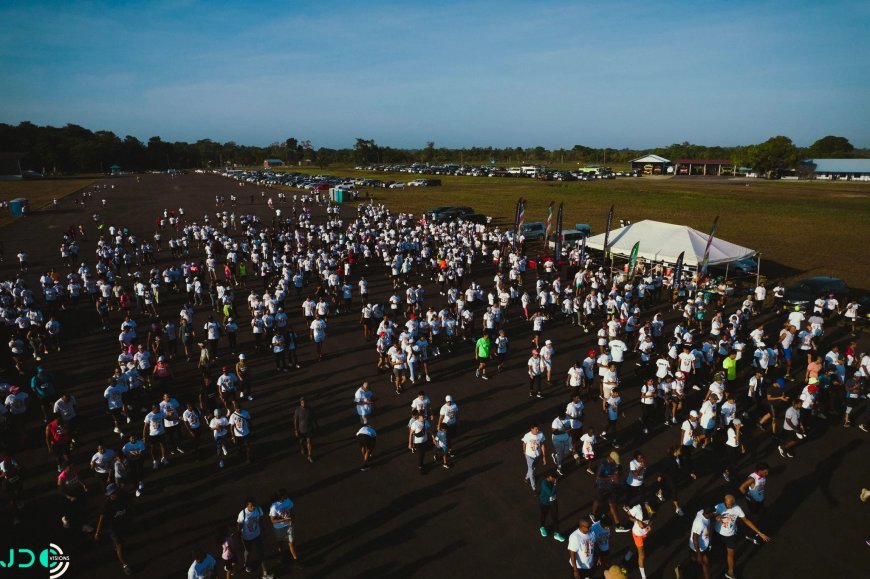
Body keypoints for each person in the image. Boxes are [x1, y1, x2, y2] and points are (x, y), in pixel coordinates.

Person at [714, 494, 771, 579]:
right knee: (719, 551)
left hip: (730, 535)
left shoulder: (737, 508)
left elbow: (746, 521)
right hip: (718, 533)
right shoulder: (719, 506)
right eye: (728, 504)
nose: (729, 506)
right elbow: (711, 516)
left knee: (730, 554)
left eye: (731, 504)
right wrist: (716, 517)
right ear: (724, 501)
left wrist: (760, 533)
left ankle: (730, 572)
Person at [95, 484, 132, 575]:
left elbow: (129, 507)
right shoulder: (106, 505)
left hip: (123, 524)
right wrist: (97, 532)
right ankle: (125, 566)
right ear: (110, 494)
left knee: (122, 542)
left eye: (117, 491)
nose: (117, 494)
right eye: (115, 492)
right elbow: (101, 518)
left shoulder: (122, 497)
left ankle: (118, 548)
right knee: (120, 546)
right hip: (113, 528)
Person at [237, 498, 274, 579]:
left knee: (261, 553)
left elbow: (261, 519)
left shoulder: (258, 509)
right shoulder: (242, 514)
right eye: (251, 505)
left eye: (254, 504)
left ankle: (265, 574)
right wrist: (239, 539)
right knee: (248, 552)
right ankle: (246, 564)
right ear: (247, 505)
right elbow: (239, 527)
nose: (253, 506)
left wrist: (264, 530)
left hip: (257, 535)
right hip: (247, 538)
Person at [269, 488, 299, 563]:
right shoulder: (274, 507)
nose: (287, 495)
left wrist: (292, 520)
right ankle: (281, 555)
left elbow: (292, 511)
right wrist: (284, 520)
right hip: (279, 528)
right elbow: (272, 520)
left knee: (291, 542)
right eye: (285, 494)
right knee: (280, 542)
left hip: (289, 526)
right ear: (281, 496)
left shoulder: (288, 501)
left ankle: (296, 559)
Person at [623, 500, 651, 579]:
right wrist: (637, 520)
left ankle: (628, 556)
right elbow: (629, 515)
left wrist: (649, 526)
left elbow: (651, 519)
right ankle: (643, 577)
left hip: (644, 533)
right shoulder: (637, 508)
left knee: (635, 546)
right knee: (641, 556)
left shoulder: (653, 508)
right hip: (637, 534)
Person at [689, 506, 716, 579]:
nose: (714, 513)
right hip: (698, 548)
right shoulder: (700, 524)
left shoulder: (701, 512)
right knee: (700, 563)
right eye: (713, 512)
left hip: (704, 546)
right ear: (709, 513)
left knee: (703, 563)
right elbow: (695, 540)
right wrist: (699, 555)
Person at [538, 472, 566, 541]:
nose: (555, 480)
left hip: (553, 502)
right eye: (554, 479)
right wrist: (555, 484)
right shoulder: (544, 483)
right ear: (550, 477)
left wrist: (554, 484)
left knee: (555, 517)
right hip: (545, 502)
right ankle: (542, 527)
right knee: (544, 515)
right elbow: (551, 493)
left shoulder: (551, 481)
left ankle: (556, 534)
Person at [521, 424, 546, 492]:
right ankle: (534, 488)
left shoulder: (540, 434)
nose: (537, 430)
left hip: (537, 455)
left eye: (538, 429)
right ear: (531, 429)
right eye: (536, 429)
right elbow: (524, 443)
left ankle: (526, 478)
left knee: (534, 468)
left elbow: (542, 445)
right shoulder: (527, 435)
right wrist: (524, 452)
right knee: (532, 472)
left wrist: (544, 456)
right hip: (529, 456)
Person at [293, 397, 316, 463]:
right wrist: (296, 430)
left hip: (309, 428)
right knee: (302, 441)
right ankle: (302, 447)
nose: (303, 403)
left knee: (309, 442)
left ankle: (310, 455)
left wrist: (316, 426)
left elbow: (314, 418)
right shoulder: (297, 411)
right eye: (302, 402)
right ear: (300, 403)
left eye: (304, 402)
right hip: (301, 430)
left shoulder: (310, 409)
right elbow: (295, 421)